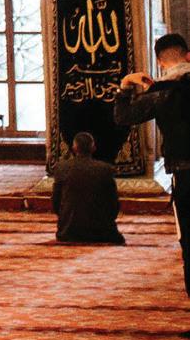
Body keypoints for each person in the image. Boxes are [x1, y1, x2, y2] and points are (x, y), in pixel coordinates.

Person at [115, 30, 190, 299]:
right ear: (188, 57)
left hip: (184, 173)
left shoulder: (161, 92)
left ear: (159, 62)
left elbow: (123, 116)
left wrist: (126, 84)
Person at [51, 131, 125, 245]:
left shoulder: (61, 168)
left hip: (69, 231)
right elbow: (113, 205)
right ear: (93, 148)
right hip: (101, 232)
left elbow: (55, 202)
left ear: (74, 148)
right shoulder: (105, 169)